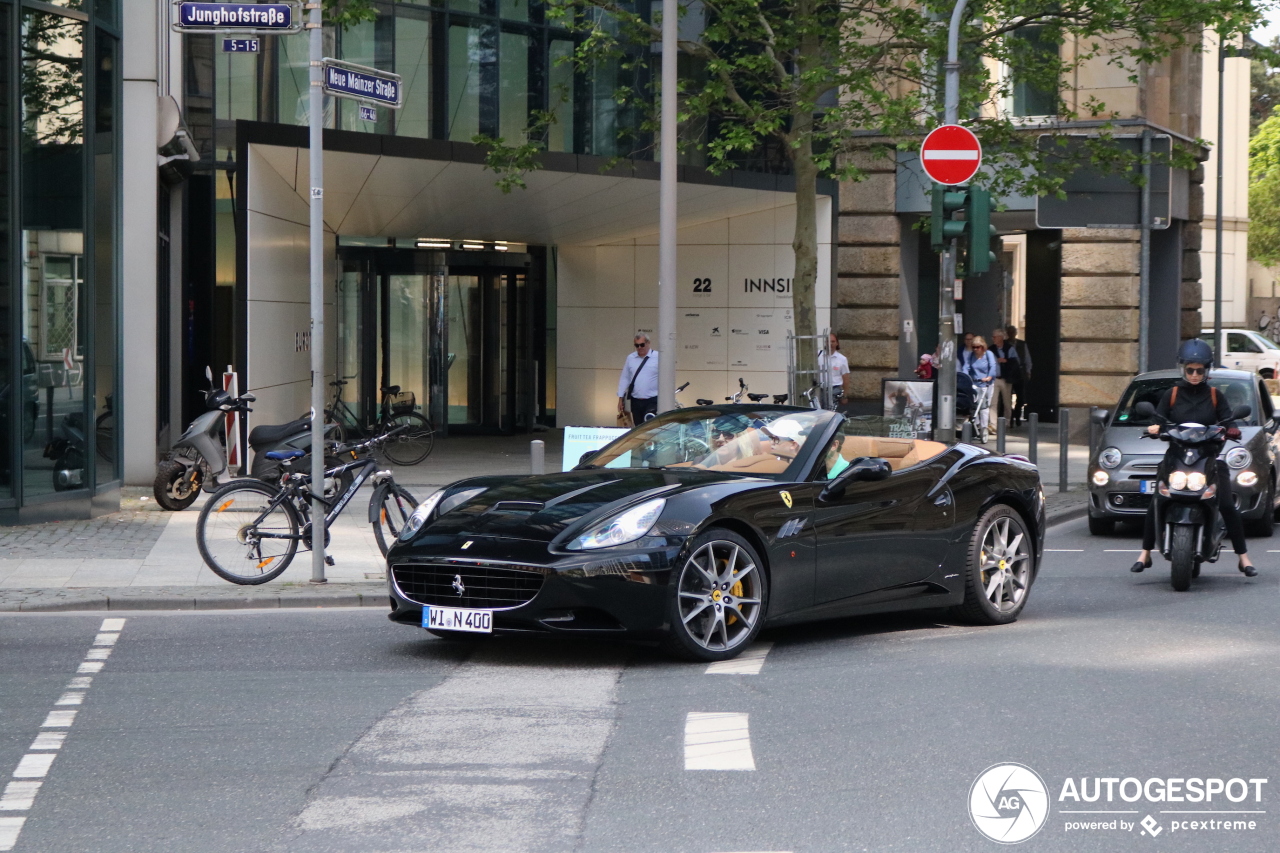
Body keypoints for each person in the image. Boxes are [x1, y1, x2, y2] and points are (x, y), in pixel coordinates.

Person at [1130, 338, 1257, 577]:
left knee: (1228, 505)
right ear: (1183, 368)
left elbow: (1228, 420)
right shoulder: (1173, 394)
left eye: (1200, 370)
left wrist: (1232, 428)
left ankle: (1243, 558)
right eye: (1190, 369)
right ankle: (1145, 553)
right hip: (1176, 457)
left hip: (1208, 457)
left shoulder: (1215, 395)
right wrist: (1155, 427)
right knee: (1157, 499)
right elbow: (1158, 417)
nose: (1195, 374)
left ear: (1207, 370)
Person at [617, 333, 659, 424]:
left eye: (642, 345)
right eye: (637, 345)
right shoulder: (631, 358)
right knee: (638, 427)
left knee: (650, 426)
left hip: (652, 400)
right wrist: (620, 398)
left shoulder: (658, 357)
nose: (639, 347)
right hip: (635, 400)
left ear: (648, 343)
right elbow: (625, 378)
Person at [964, 335, 997, 442]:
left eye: (978, 347)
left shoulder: (988, 354)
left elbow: (993, 366)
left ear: (983, 347)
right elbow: (966, 367)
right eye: (973, 347)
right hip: (975, 382)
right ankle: (976, 425)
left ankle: (983, 427)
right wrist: (965, 377)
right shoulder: (971, 356)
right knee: (974, 405)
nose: (975, 349)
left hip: (986, 383)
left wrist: (989, 377)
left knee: (984, 406)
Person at [989, 327, 1021, 431]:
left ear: (1001, 337)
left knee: (1007, 402)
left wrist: (1006, 361)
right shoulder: (991, 349)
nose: (993, 339)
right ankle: (993, 424)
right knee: (993, 402)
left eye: (995, 337)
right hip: (995, 379)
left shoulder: (1009, 348)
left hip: (1006, 379)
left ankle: (1007, 422)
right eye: (993, 337)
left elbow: (1016, 363)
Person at [1005, 324, 1032, 426]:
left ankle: (1017, 414)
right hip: (1008, 373)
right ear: (1007, 333)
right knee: (1007, 397)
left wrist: (1028, 371)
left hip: (1020, 372)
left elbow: (1027, 358)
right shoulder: (1005, 344)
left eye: (1013, 332)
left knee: (1021, 397)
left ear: (1016, 333)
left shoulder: (1022, 344)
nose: (1011, 334)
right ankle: (1011, 417)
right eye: (1009, 332)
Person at [820, 332, 851, 405]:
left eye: (833, 341)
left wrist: (845, 396)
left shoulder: (842, 359)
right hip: (820, 390)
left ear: (837, 343)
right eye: (828, 341)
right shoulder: (818, 356)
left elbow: (845, 378)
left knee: (830, 412)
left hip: (834, 390)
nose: (830, 344)